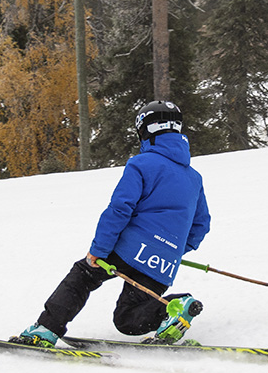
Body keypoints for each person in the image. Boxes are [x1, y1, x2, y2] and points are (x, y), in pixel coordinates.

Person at [12, 100, 211, 348]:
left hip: (128, 249)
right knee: (127, 319)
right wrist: (174, 250)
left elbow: (119, 209)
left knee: (83, 275)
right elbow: (202, 224)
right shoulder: (194, 177)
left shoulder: (140, 164)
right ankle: (171, 311)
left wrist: (99, 250)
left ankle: (45, 330)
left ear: (145, 131)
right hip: (163, 263)